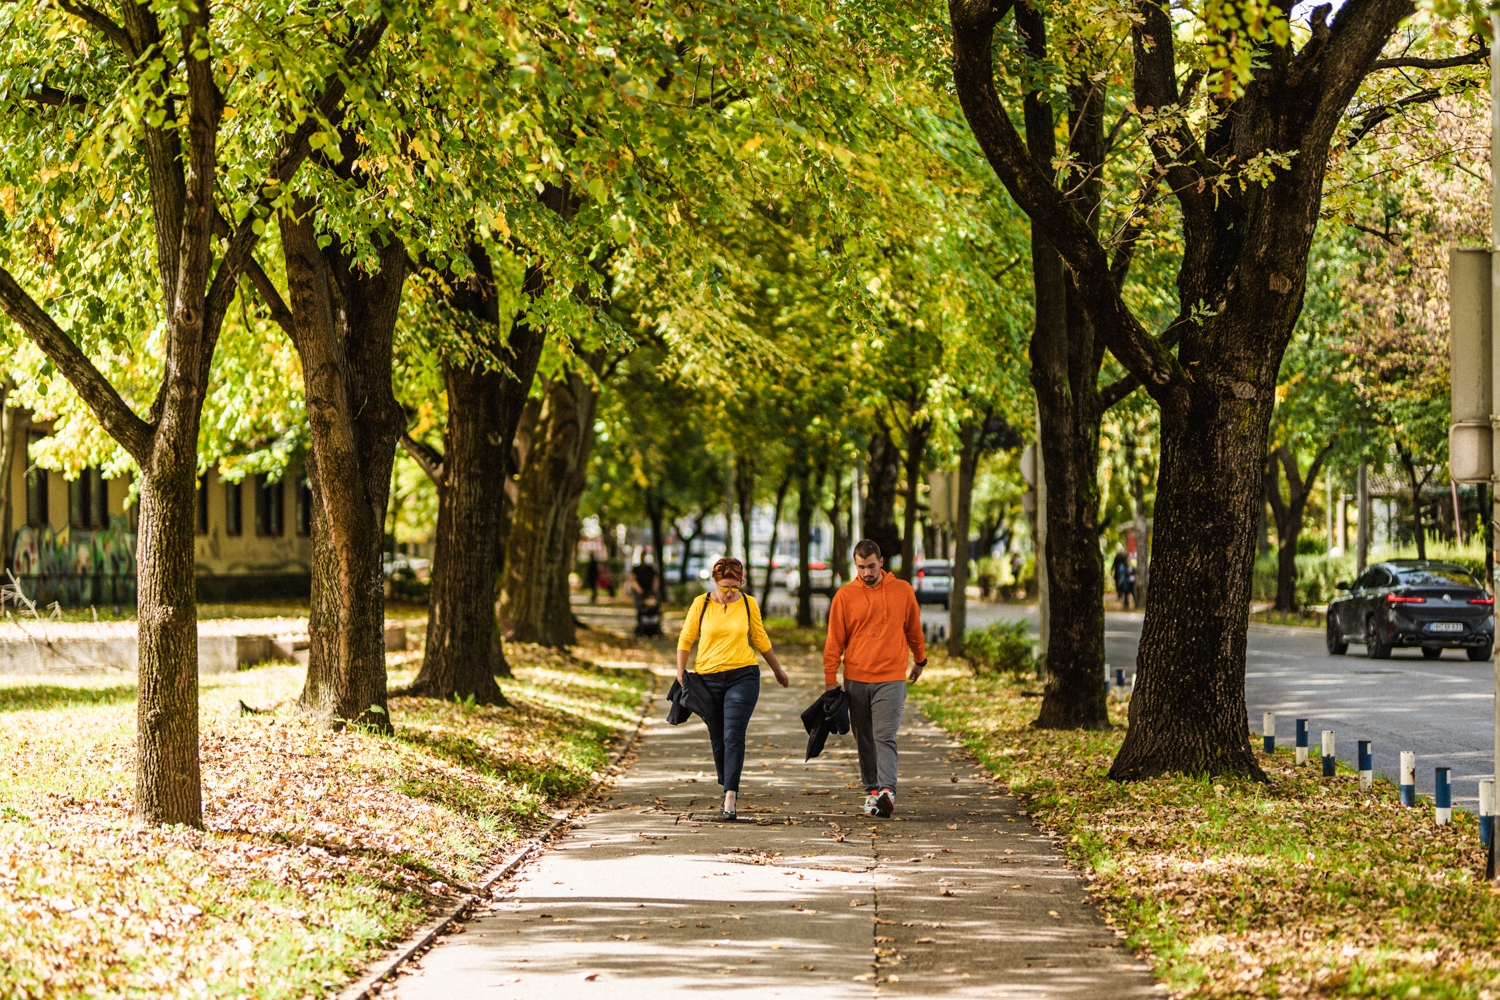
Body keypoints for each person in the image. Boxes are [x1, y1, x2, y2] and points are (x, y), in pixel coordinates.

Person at [677, 556, 789, 821]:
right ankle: (727, 779)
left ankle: (730, 795)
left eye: (733, 588)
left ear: (742, 581)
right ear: (714, 582)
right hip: (708, 679)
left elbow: (759, 637)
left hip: (743, 676)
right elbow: (686, 638)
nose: (728, 593)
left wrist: (777, 669)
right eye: (723, 587)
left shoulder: (749, 604)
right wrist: (680, 671)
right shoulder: (701, 604)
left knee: (733, 734)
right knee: (717, 735)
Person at [822, 539, 925, 818]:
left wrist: (920, 659)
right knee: (864, 737)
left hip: (891, 678)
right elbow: (834, 642)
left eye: (870, 566)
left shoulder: (902, 590)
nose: (866, 572)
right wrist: (831, 678)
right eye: (860, 567)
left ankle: (887, 791)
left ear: (881, 562)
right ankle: (872, 792)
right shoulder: (844, 597)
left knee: (884, 735)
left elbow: (914, 629)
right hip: (856, 678)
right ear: (855, 565)